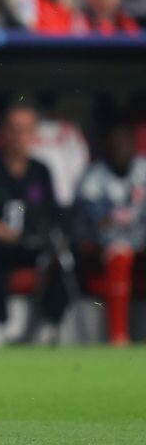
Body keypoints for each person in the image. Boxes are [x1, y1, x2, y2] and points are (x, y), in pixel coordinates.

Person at [0, 105, 59, 344]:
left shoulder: (41, 171)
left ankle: (49, 326)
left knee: (61, 259)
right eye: (14, 129)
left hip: (32, 244)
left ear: (34, 135)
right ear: (4, 133)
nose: (20, 136)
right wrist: (9, 236)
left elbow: (51, 215)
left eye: (26, 130)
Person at [75, 120, 146, 346]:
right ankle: (118, 335)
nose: (120, 149)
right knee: (119, 254)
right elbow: (94, 225)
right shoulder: (94, 177)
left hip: (142, 240)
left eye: (125, 143)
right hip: (108, 246)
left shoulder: (143, 170)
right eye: (115, 144)